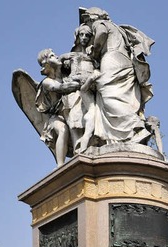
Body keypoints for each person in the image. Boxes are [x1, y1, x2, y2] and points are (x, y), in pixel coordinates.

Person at [81, 7, 155, 145]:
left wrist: (95, 51)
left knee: (108, 94)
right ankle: (128, 134)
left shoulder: (100, 23)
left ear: (93, 17)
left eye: (87, 21)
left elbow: (101, 33)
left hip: (112, 60)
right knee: (121, 97)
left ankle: (135, 127)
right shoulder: (118, 28)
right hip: (125, 62)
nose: (88, 25)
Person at [35, 48, 81, 166]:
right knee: (63, 130)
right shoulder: (47, 82)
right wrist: (82, 83)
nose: (55, 56)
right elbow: (62, 88)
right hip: (56, 117)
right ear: (46, 63)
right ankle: (60, 165)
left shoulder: (66, 75)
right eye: (51, 56)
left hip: (69, 112)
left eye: (54, 54)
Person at [60, 24, 101, 152]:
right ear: (77, 37)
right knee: (74, 118)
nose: (84, 38)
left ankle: (90, 144)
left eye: (87, 35)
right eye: (81, 35)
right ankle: (78, 148)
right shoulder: (71, 55)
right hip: (74, 91)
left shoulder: (93, 57)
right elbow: (57, 64)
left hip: (90, 88)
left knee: (90, 116)